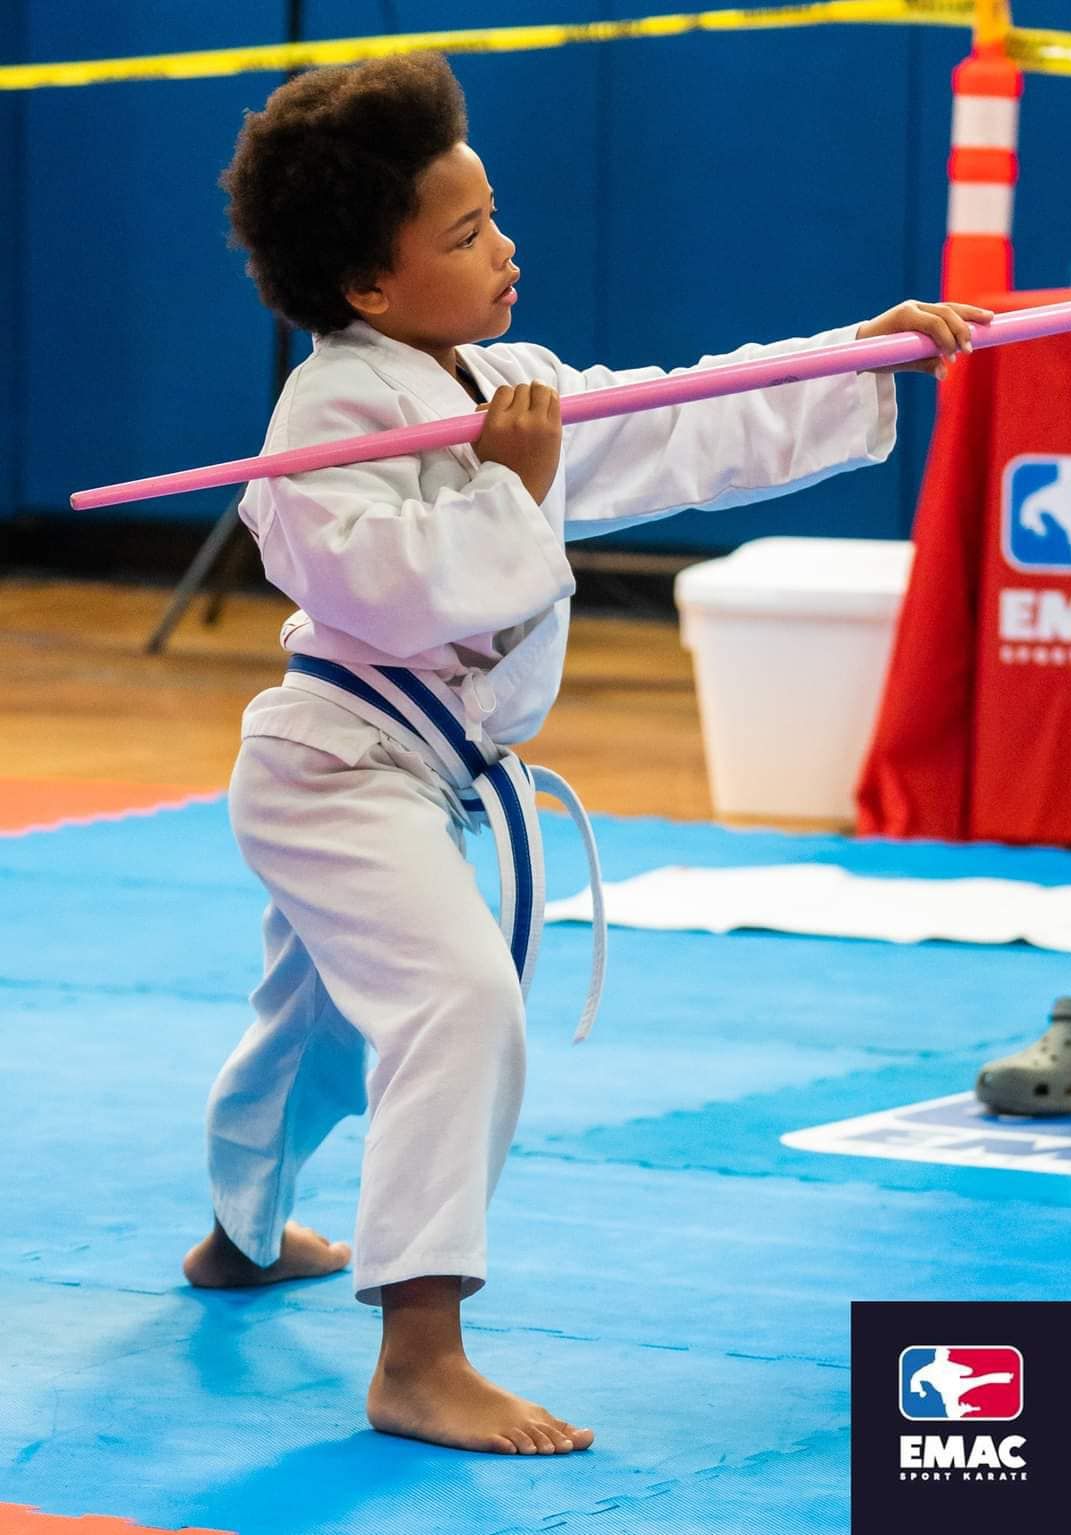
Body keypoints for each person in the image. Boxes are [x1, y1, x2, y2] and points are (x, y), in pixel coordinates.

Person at [181, 50, 992, 1456]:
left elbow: (672, 423)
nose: (507, 249)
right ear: (368, 288)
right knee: (458, 1006)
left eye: (494, 216)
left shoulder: (504, 382)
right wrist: (515, 487)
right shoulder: (320, 430)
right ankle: (420, 1352)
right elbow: (397, 595)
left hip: (425, 779)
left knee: (313, 1034)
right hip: (337, 774)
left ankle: (241, 1235)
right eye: (466, 234)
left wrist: (855, 352)